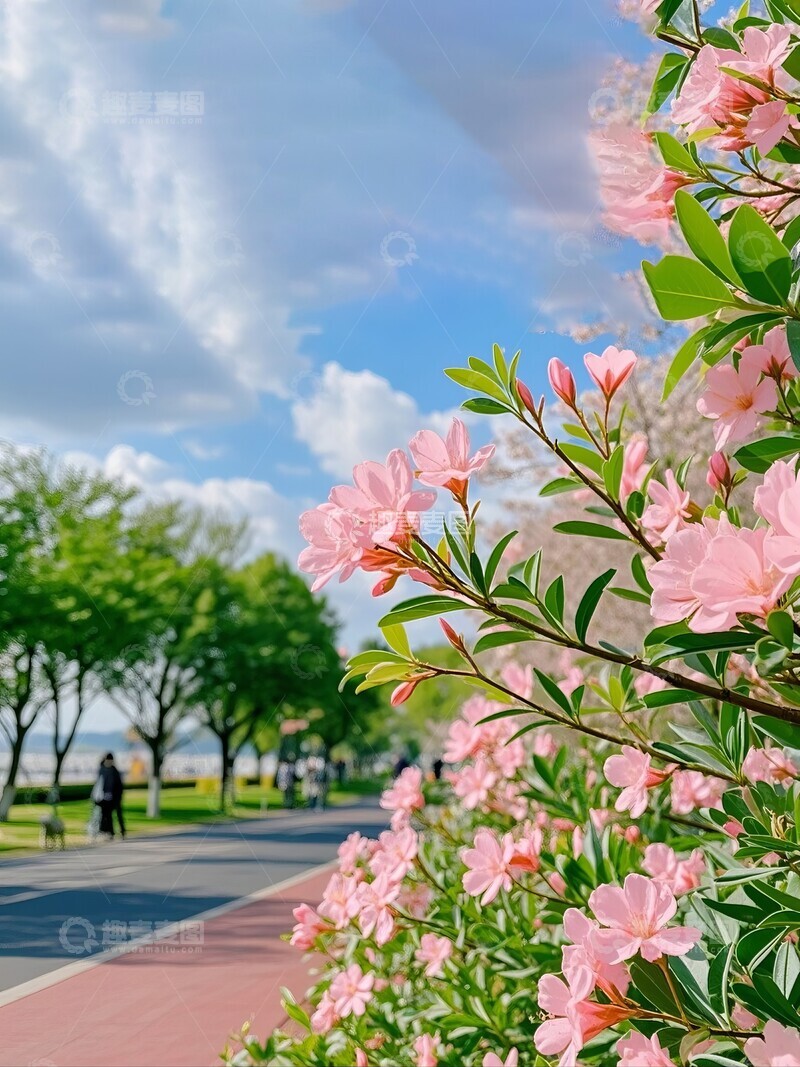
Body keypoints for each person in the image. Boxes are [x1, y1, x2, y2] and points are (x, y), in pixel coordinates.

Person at [94, 753, 125, 839]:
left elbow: (119, 785)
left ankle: (122, 831)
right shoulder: (102, 770)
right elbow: (99, 784)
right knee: (107, 815)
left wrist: (118, 795)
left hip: (115, 797)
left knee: (118, 814)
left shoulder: (114, 770)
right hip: (104, 798)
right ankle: (110, 832)